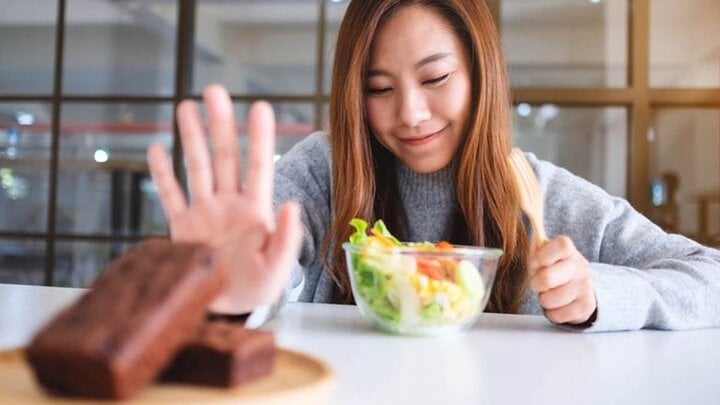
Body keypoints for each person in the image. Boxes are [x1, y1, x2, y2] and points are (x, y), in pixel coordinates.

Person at [148, 0, 720, 332]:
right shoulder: (324, 171)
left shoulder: (538, 194)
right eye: (379, 88)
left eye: (436, 78)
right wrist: (236, 287)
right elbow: (264, 269)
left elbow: (708, 275)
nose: (411, 114)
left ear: (480, 74)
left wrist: (603, 295)